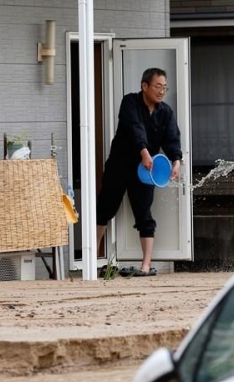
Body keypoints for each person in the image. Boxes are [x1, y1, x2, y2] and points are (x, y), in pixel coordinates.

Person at [96, 67, 182, 277]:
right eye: (157, 86)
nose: (161, 91)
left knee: (144, 213)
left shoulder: (166, 112)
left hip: (146, 170)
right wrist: (144, 151)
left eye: (164, 87)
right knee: (105, 208)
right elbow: (135, 128)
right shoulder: (130, 102)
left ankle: (145, 265)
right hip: (120, 164)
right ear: (145, 86)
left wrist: (176, 160)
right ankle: (92, 259)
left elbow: (172, 138)